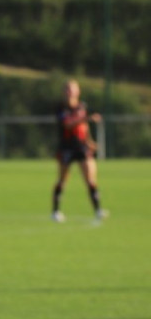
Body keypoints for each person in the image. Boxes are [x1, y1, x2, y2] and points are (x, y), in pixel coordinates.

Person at [51, 79, 107, 223]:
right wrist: (86, 118)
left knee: (90, 179)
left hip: (82, 146)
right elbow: (68, 124)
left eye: (72, 89)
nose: (70, 92)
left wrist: (89, 142)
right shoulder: (61, 108)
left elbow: (84, 127)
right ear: (64, 92)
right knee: (62, 180)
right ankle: (56, 211)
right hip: (66, 147)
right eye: (67, 89)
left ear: (78, 91)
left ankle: (98, 210)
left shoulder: (82, 107)